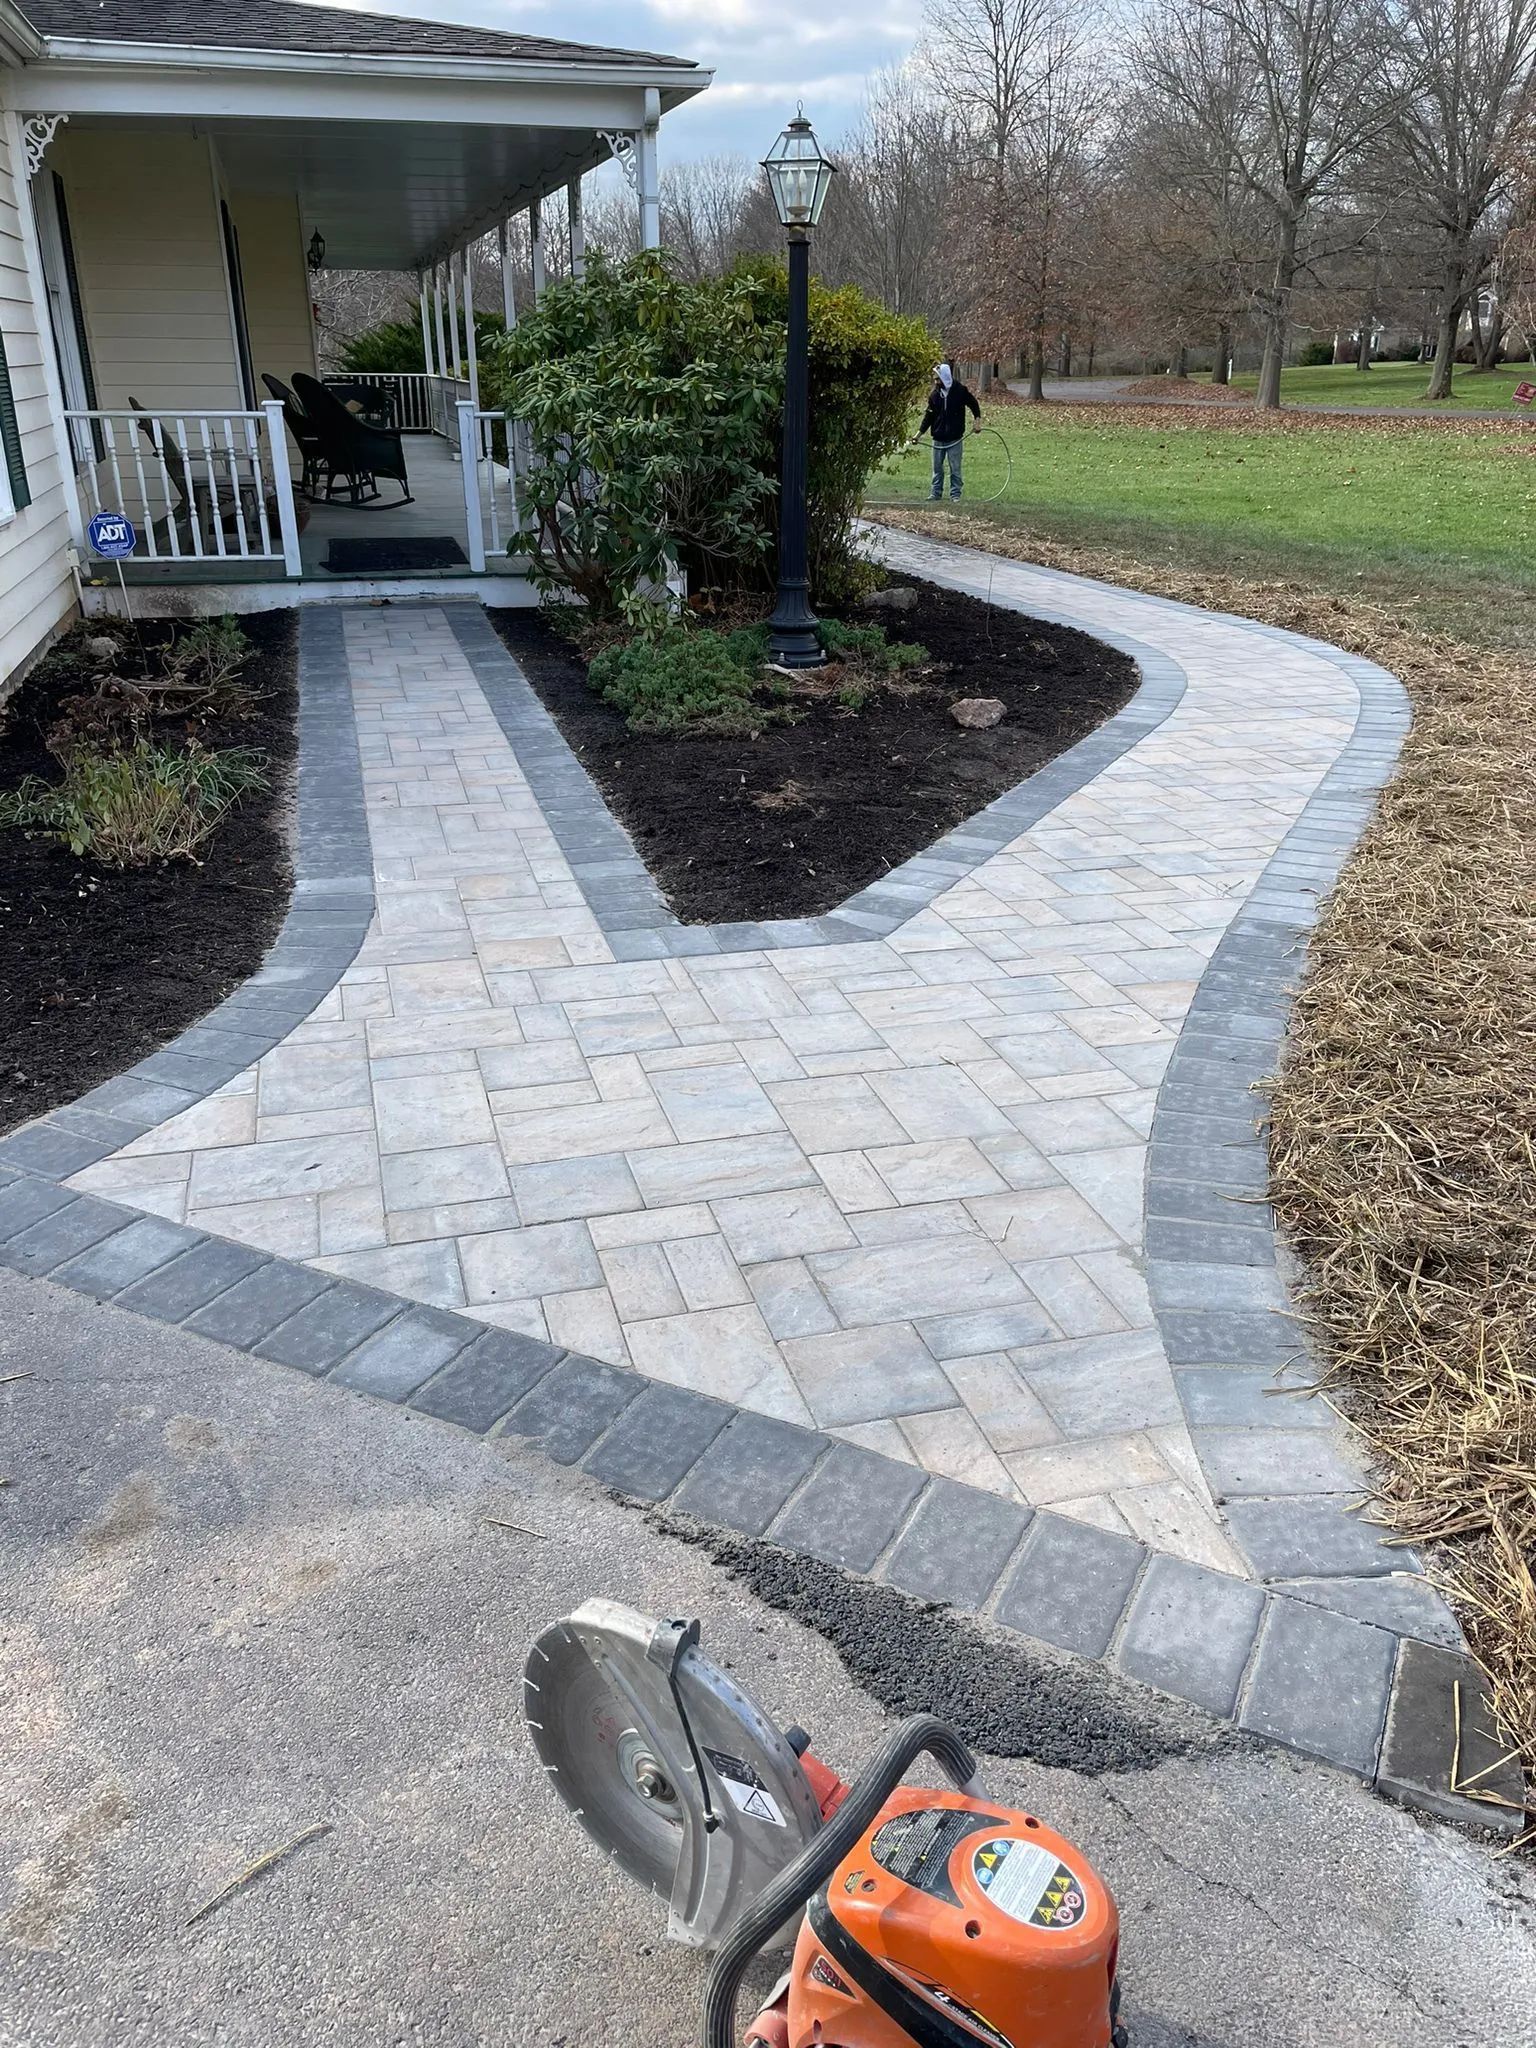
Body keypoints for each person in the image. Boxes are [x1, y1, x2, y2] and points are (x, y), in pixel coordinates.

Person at [917, 360, 981, 501]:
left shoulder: (960, 391)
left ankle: (955, 494)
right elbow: (929, 416)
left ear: (945, 377)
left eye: (938, 379)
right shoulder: (934, 395)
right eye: (935, 379)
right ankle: (935, 493)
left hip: (955, 438)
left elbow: (973, 404)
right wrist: (918, 434)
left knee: (955, 468)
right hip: (938, 438)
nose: (935, 382)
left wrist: (977, 421)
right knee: (937, 469)